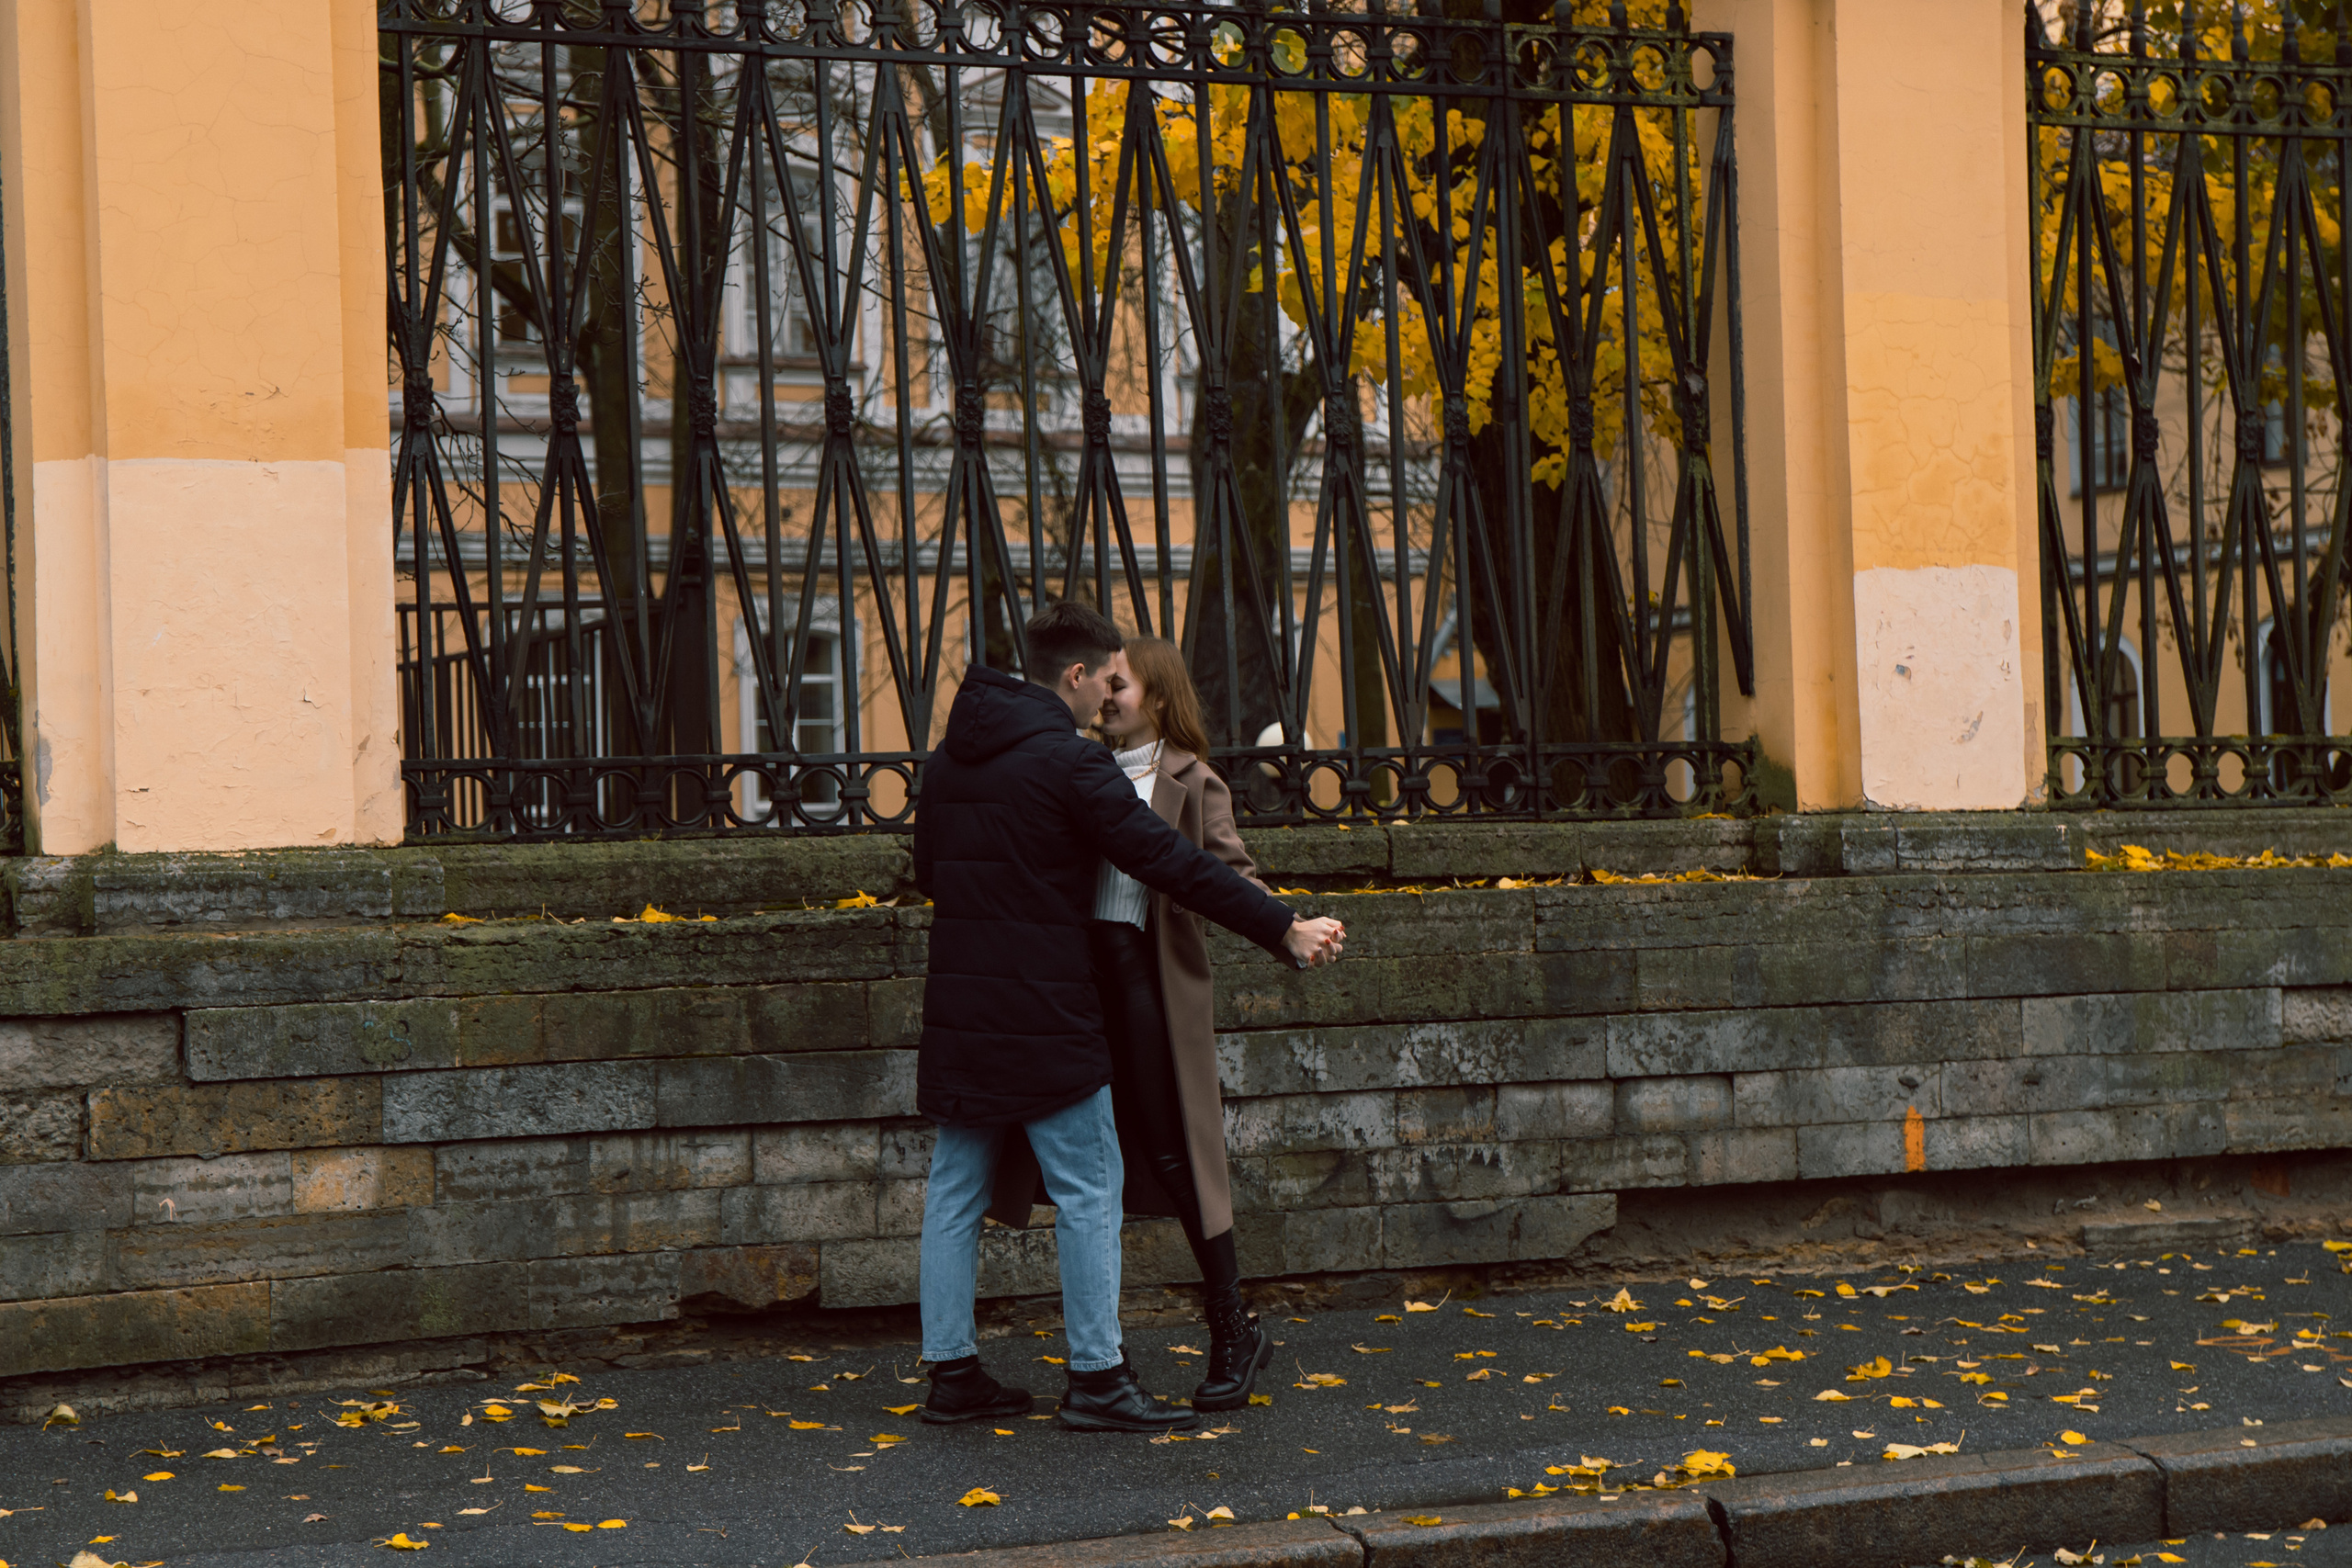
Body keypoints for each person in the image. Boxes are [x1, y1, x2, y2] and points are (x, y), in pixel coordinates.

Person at [911, 602, 1346, 1437]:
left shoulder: (949, 760)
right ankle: (1099, 1375)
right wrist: (1281, 927)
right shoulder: (1070, 766)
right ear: (1075, 675)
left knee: (955, 1187)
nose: (1109, 692)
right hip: (1046, 1009)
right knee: (1089, 1184)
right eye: (1104, 677)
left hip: (962, 1008)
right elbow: (1167, 861)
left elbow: (933, 869)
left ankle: (953, 1372)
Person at [1091, 636, 1323, 1411]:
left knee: (1172, 1147)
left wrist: (1285, 924)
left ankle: (1233, 1324)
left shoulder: (1194, 780)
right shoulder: (1076, 767)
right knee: (1087, 1160)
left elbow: (1230, 875)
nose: (1105, 695)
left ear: (1157, 696)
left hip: (1149, 981)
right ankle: (1098, 1356)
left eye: (1119, 684)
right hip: (1078, 980)